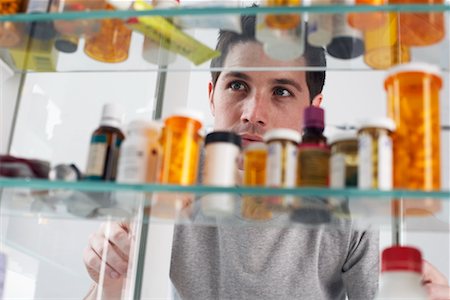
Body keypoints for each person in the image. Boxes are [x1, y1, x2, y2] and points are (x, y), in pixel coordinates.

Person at [84, 15, 450, 300]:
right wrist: (110, 277)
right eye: (237, 85)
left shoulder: (347, 190)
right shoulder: (167, 173)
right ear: (212, 95)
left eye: (281, 91)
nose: (252, 114)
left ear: (313, 111)